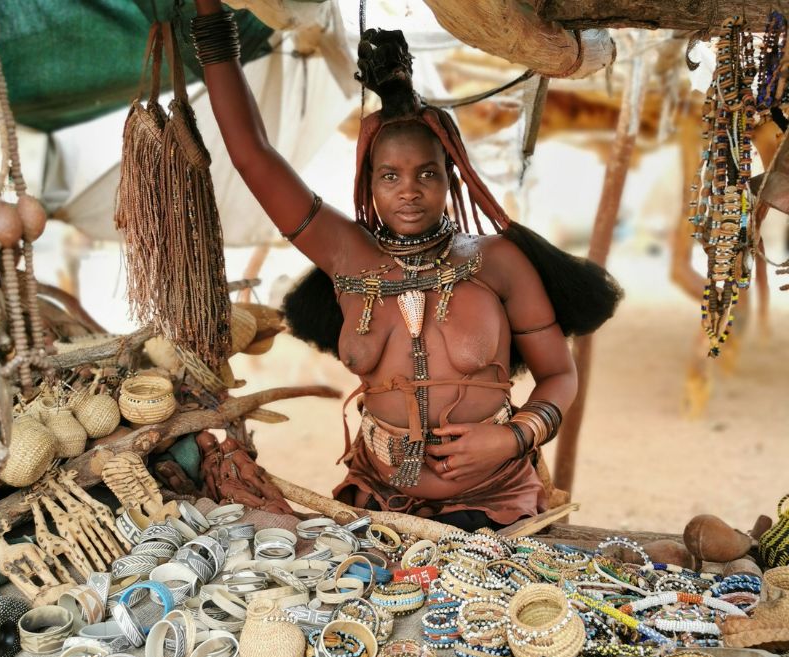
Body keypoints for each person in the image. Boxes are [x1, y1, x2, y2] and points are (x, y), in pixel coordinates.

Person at [188, 5, 621, 529]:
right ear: (369, 184)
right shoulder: (346, 254)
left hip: (495, 504)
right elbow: (252, 156)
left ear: (451, 179)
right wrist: (212, 20)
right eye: (390, 176)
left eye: (427, 174)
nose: (409, 191)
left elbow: (558, 374)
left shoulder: (497, 262)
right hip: (375, 501)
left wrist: (512, 436)